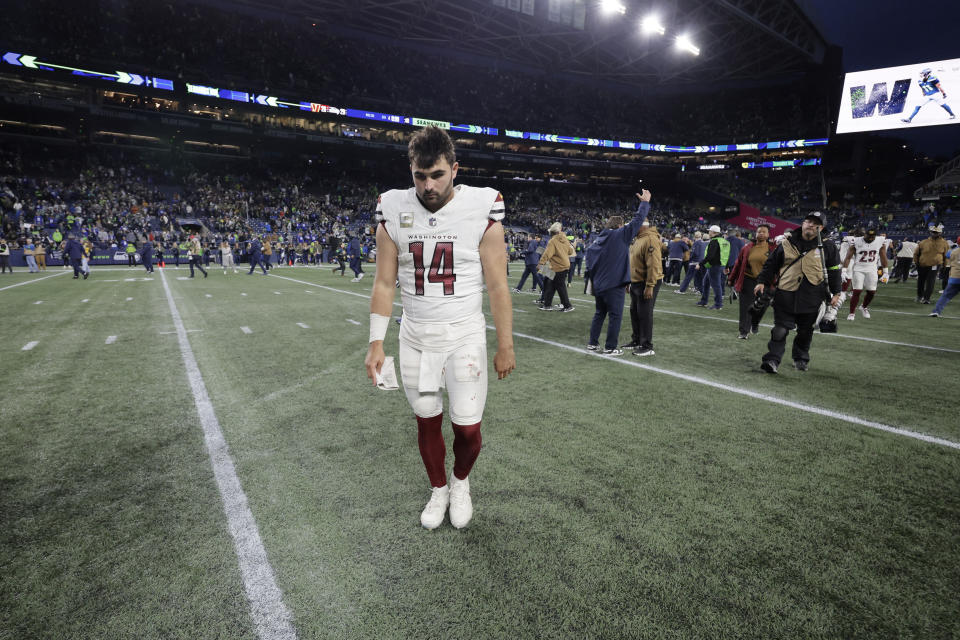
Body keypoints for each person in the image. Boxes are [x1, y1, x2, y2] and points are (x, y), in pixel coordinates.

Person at [364, 126, 515, 530]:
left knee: (467, 428)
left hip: (464, 335)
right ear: (410, 170)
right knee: (427, 419)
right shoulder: (392, 209)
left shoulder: (481, 208)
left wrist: (506, 345)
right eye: (419, 176)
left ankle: (460, 482)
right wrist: (375, 342)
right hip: (416, 336)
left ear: (455, 169)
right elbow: (383, 283)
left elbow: (498, 284)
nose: (428, 185)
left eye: (437, 175)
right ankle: (438, 488)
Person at [754, 212, 841, 373]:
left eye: (815, 223)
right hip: (785, 293)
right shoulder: (786, 242)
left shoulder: (828, 246)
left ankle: (800, 358)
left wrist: (836, 293)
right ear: (803, 223)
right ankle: (772, 360)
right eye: (808, 221)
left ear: (821, 228)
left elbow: (834, 270)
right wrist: (761, 282)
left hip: (813, 294)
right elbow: (771, 265)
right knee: (779, 330)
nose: (810, 225)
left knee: (806, 331)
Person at [584, 191, 651, 355]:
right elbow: (637, 221)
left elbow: (589, 264)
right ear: (620, 226)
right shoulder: (619, 235)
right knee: (615, 316)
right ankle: (610, 347)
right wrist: (645, 203)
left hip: (599, 285)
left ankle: (593, 343)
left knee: (599, 313)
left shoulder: (597, 240)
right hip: (614, 285)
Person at [727, 224, 775, 338]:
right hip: (748, 280)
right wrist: (731, 279)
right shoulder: (747, 248)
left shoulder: (773, 249)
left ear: (768, 235)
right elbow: (738, 265)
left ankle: (755, 323)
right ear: (755, 234)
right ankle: (744, 332)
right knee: (745, 308)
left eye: (764, 232)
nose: (761, 234)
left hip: (765, 282)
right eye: (759, 232)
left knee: (762, 306)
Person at [625, 219, 662, 356]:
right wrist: (629, 281)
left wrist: (650, 285)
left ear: (641, 226)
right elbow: (633, 263)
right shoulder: (639, 239)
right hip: (636, 281)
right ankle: (637, 340)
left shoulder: (650, 239)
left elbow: (654, 264)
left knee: (644, 313)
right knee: (634, 311)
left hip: (646, 282)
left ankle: (646, 346)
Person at [842, 227, 889, 320]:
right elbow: (848, 257)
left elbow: (883, 256)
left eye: (873, 236)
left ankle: (863, 307)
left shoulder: (880, 241)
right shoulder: (856, 241)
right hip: (858, 269)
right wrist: (844, 270)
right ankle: (852, 313)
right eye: (869, 236)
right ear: (865, 234)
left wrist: (886, 272)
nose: (871, 238)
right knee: (857, 291)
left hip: (872, 269)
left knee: (872, 292)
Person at [537, 222, 575, 312]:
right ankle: (547, 304)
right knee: (551, 285)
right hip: (564, 265)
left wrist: (540, 263)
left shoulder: (552, 241)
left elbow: (547, 254)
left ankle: (567, 305)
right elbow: (570, 251)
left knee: (560, 286)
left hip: (558, 266)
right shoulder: (565, 239)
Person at [696, 225, 729, 310]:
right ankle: (704, 301)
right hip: (721, 265)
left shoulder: (714, 241)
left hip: (714, 266)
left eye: (710, 231)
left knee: (716, 285)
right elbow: (726, 254)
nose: (709, 232)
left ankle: (718, 304)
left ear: (714, 232)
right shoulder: (724, 241)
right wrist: (727, 266)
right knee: (706, 282)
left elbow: (710, 256)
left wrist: (700, 263)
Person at [914, 225, 949, 304]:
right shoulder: (923, 242)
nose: (934, 234)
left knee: (931, 281)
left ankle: (926, 298)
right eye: (933, 232)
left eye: (936, 232)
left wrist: (945, 266)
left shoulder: (944, 243)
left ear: (940, 233)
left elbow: (946, 256)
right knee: (921, 281)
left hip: (935, 265)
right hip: (922, 264)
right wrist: (916, 263)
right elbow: (916, 253)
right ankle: (920, 296)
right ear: (930, 232)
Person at [929, 238, 960, 318]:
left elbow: (947, 255)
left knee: (945, 296)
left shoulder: (953, 251)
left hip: (955, 277)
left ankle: (936, 311)